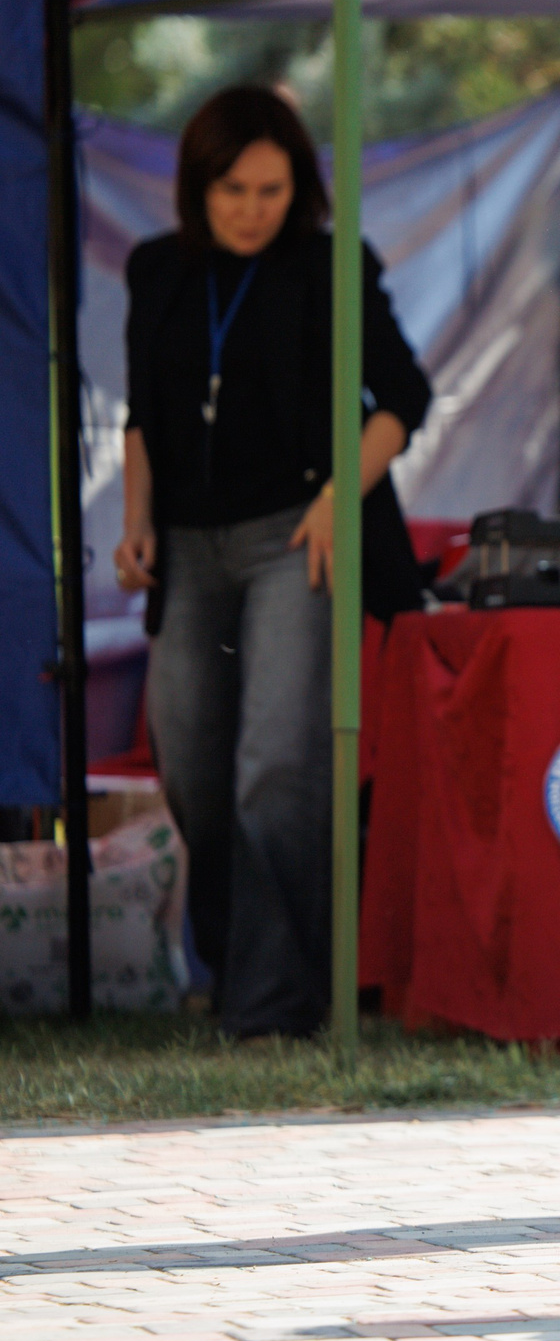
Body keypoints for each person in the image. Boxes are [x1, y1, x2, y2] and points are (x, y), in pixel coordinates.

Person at [114, 84, 431, 1039]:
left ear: (300, 188)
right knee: (196, 773)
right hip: (190, 547)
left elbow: (403, 399)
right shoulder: (156, 270)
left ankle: (278, 1004)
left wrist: (339, 496)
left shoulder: (332, 266)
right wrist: (138, 524)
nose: (253, 208)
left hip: (299, 535)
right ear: (196, 188)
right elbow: (141, 419)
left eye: (273, 188)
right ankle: (236, 968)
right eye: (234, 189)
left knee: (277, 768)